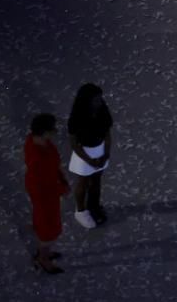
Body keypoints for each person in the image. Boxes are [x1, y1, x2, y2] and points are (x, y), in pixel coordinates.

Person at [24, 113, 69, 274]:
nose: (55, 132)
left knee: (45, 224)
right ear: (44, 132)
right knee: (48, 228)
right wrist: (62, 189)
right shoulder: (38, 158)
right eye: (52, 130)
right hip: (44, 195)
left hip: (46, 190)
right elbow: (43, 187)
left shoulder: (37, 142)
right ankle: (43, 259)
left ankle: (43, 252)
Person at [68, 83, 113, 229]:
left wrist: (105, 154)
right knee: (83, 182)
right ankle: (80, 211)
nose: (99, 101)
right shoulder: (76, 118)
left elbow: (107, 134)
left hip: (99, 150)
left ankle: (94, 206)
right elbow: (74, 144)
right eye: (96, 99)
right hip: (84, 153)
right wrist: (90, 161)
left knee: (96, 181)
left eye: (100, 98)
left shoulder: (103, 112)